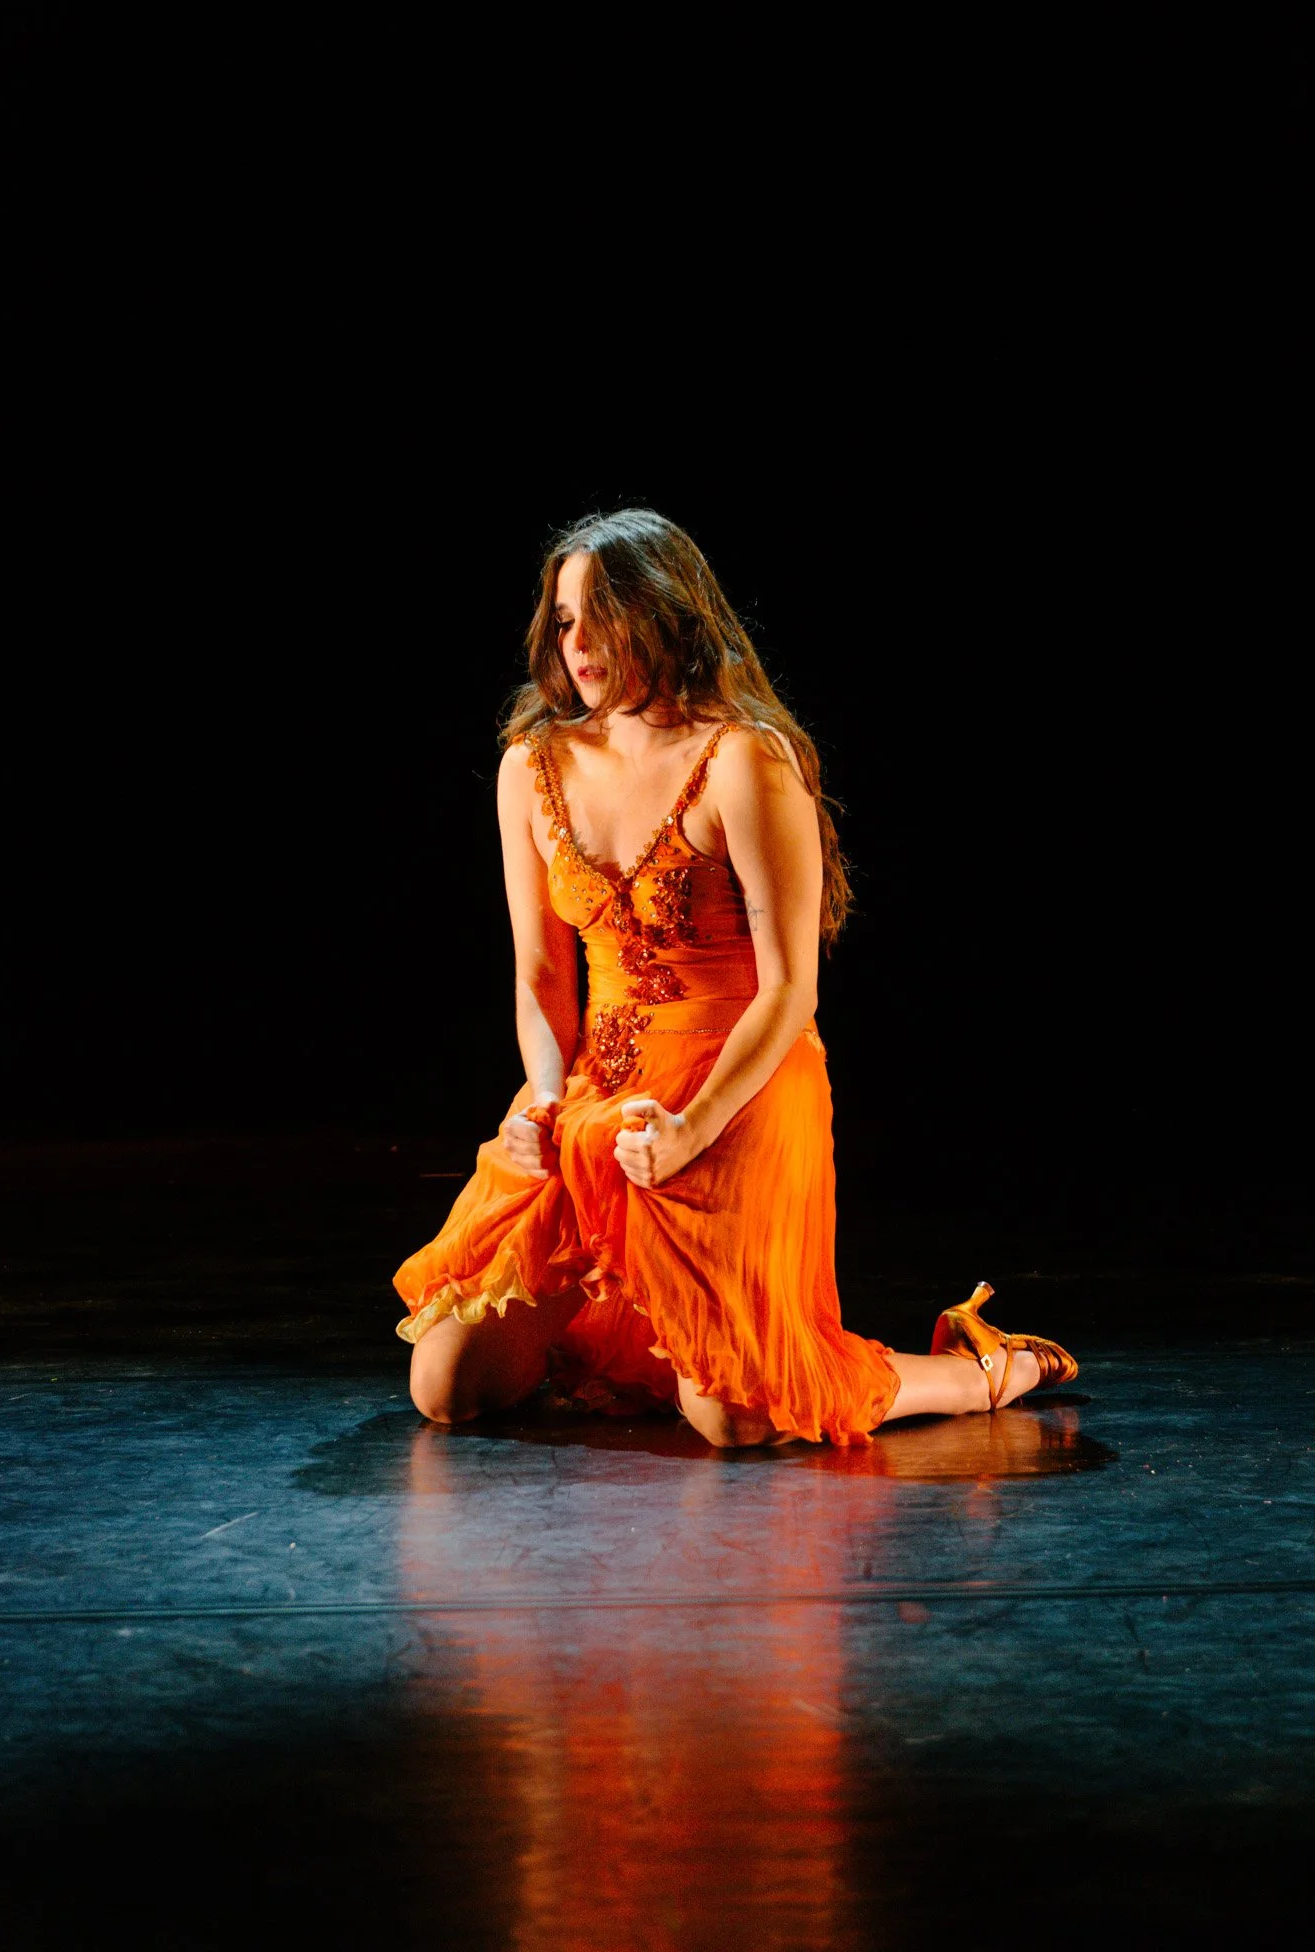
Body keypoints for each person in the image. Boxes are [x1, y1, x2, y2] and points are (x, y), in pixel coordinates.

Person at [394, 508, 1076, 1447]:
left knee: (738, 1417)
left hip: (737, 1081)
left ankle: (981, 1371)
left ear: (665, 614)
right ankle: (637, 1337)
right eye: (563, 620)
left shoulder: (743, 757)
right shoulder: (533, 765)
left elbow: (790, 987)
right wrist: (542, 1106)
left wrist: (691, 1130)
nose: (577, 643)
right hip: (601, 1090)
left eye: (601, 616)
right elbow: (542, 974)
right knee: (448, 1388)